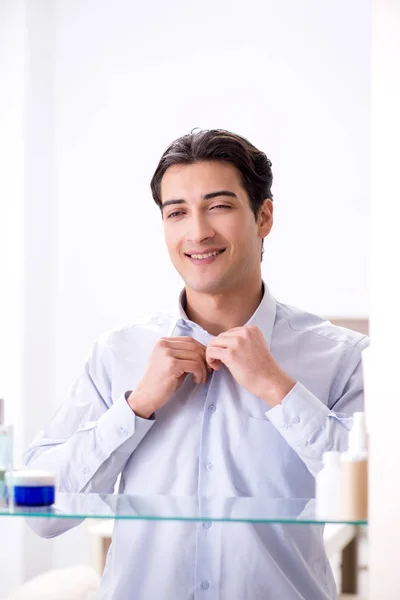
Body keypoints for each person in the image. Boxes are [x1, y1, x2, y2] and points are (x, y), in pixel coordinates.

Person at [25, 129, 369, 600]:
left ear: (263, 216)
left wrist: (279, 390)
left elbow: (385, 501)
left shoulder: (344, 355)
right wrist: (136, 408)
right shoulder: (117, 352)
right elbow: (41, 515)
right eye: (177, 213)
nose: (198, 232)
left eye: (220, 206)